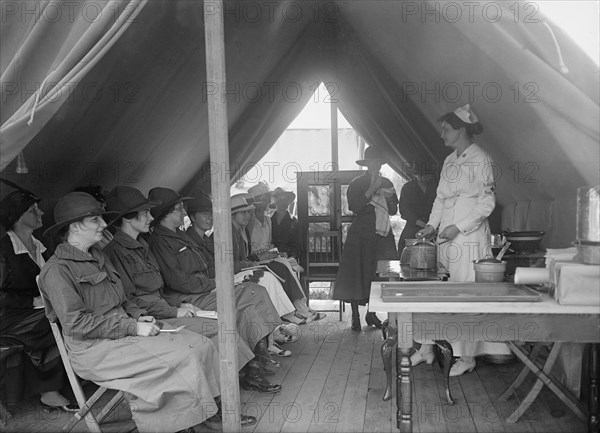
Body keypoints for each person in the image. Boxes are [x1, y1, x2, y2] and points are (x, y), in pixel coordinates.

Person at [38, 192, 256, 432]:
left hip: (123, 334)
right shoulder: (57, 271)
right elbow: (76, 324)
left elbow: (123, 298)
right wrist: (132, 326)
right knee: (181, 355)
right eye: (95, 220)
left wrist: (138, 315)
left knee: (200, 344)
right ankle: (177, 423)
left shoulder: (97, 257)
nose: (103, 225)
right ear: (74, 227)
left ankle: (198, 415)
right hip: (93, 349)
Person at [102, 186, 277, 393]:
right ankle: (223, 392)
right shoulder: (119, 252)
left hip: (172, 305)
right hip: (156, 314)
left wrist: (178, 305)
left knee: (245, 302)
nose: (150, 216)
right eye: (144, 213)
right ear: (128, 218)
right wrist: (176, 308)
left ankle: (248, 371)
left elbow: (161, 290)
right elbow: (135, 300)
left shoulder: (144, 246)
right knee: (223, 323)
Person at [413, 104, 511, 376]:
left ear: (461, 129)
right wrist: (432, 226)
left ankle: (466, 356)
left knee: (464, 296)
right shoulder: (449, 160)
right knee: (436, 292)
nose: (442, 134)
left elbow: (487, 202)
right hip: (446, 238)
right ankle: (426, 348)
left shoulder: (481, 159)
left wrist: (459, 227)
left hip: (468, 240)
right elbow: (440, 199)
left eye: (446, 129)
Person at [146, 187, 285, 377]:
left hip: (202, 289)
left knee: (253, 293)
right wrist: (215, 284)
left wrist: (219, 281)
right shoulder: (161, 242)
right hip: (190, 297)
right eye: (178, 208)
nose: (183, 212)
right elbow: (178, 281)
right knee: (249, 297)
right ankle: (251, 366)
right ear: (166, 213)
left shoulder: (179, 237)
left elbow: (203, 268)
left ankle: (256, 361)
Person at [0, 181, 76, 412]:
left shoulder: (40, 245)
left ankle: (56, 388)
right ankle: (50, 390)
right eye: (33, 209)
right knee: (53, 321)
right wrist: (31, 302)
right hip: (8, 316)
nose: (41, 212)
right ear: (18, 216)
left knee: (62, 315)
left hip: (33, 313)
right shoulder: (3, 250)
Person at [332, 146, 399, 331]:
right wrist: (371, 189)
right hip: (361, 233)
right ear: (366, 164)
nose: (374, 166)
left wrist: (390, 198)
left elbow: (393, 211)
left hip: (382, 234)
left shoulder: (386, 182)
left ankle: (372, 313)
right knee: (356, 273)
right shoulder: (357, 183)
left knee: (380, 272)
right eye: (371, 163)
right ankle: (355, 316)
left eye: (377, 163)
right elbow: (355, 206)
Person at [229, 194, 323, 325]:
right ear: (232, 215)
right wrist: (255, 260)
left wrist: (271, 254)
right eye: (242, 213)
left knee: (285, 263)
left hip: (250, 264)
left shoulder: (240, 231)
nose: (247, 215)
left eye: (248, 212)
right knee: (270, 276)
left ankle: (297, 307)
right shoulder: (230, 234)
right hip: (237, 272)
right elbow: (232, 263)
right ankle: (286, 314)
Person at [397, 163, 437, 256]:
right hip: (412, 228)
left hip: (433, 228)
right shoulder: (407, 188)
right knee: (406, 256)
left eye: (427, 175)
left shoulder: (436, 187)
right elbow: (404, 211)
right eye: (421, 175)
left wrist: (431, 226)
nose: (424, 178)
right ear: (415, 174)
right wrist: (422, 224)